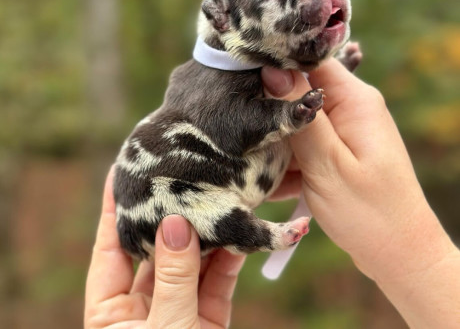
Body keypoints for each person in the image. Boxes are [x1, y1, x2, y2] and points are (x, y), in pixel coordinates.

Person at [84, 58, 460, 329]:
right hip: (170, 193)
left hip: (218, 178)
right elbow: (234, 120)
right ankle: (265, 235)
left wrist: (414, 256)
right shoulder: (214, 82)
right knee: (200, 207)